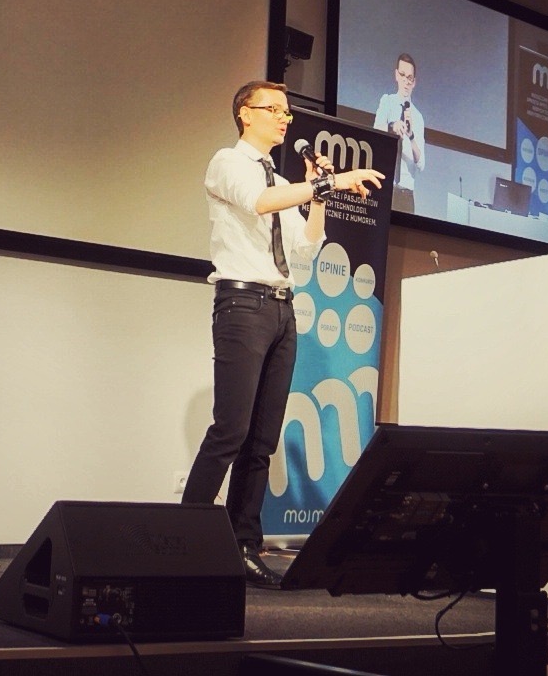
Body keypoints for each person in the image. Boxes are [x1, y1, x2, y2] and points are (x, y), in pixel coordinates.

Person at [182, 80, 383, 588]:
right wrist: (328, 185)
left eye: (287, 112)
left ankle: (243, 547)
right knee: (230, 430)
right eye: (273, 109)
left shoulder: (280, 179)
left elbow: (305, 248)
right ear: (244, 114)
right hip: (243, 304)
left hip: (281, 308)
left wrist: (318, 195)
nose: (284, 118)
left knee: (263, 439)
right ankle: (183, 541)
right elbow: (257, 204)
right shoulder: (228, 163)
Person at [372, 53, 425, 213]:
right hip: (385, 187)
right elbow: (375, 133)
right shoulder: (387, 101)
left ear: (414, 82)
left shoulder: (418, 117)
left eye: (409, 77)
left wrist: (412, 137)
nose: (405, 81)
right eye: (402, 75)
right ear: (396, 75)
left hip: (406, 195)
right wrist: (392, 126)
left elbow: (421, 163)